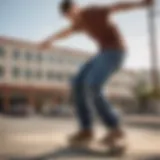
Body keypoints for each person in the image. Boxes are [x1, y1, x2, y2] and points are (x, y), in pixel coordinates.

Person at [39, 0, 154, 148]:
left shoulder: (93, 12)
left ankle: (115, 128)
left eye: (72, 14)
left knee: (93, 85)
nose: (72, 19)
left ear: (76, 7)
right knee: (78, 83)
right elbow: (66, 32)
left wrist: (141, 4)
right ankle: (86, 130)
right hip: (102, 54)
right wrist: (50, 40)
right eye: (68, 17)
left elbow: (117, 7)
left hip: (116, 52)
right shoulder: (78, 23)